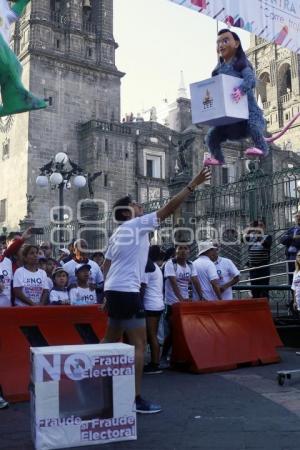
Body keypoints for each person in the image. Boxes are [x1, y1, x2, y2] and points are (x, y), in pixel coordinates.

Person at [102, 167, 211, 414]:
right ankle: (135, 399)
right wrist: (192, 184)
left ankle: (90, 379)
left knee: (110, 339)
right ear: (128, 211)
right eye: (137, 204)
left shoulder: (117, 233)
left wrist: (106, 294)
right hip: (127, 293)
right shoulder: (136, 225)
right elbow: (169, 208)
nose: (141, 206)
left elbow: (105, 266)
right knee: (138, 345)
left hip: (116, 291)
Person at [204, 29, 269, 166]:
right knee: (211, 136)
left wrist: (241, 90)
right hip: (231, 122)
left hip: (247, 115)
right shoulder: (218, 69)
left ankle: (262, 148)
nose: (221, 45)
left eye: (225, 40)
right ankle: (218, 158)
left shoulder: (241, 64)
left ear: (236, 43)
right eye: (218, 42)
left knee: (254, 126)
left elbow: (251, 80)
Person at [161, 244, 203, 365]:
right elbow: (173, 283)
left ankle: (179, 355)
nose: (183, 251)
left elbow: (195, 281)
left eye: (186, 249)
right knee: (172, 330)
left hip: (185, 304)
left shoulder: (190, 265)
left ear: (189, 251)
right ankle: (164, 356)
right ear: (176, 251)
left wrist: (201, 296)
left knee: (185, 330)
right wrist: (180, 299)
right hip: (171, 303)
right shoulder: (170, 264)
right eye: (180, 249)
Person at [141, 246, 165, 375]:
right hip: (156, 304)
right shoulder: (155, 267)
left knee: (151, 335)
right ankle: (154, 362)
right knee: (152, 335)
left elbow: (142, 287)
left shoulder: (148, 268)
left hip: (150, 306)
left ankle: (155, 364)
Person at [245, 219, 272, 299]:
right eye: (257, 226)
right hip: (253, 268)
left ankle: (265, 309)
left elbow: (267, 244)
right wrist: (249, 230)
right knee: (254, 290)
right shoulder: (251, 237)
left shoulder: (268, 236)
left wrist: (259, 235)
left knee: (264, 291)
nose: (258, 227)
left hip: (263, 267)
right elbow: (242, 240)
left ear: (265, 227)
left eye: (261, 225)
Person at [280, 211, 300, 284]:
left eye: (299, 216)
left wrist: (290, 239)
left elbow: (298, 242)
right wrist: (292, 238)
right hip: (290, 257)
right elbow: (282, 240)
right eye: (296, 216)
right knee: (291, 280)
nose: (297, 218)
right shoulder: (291, 229)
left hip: (298, 257)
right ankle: (293, 294)